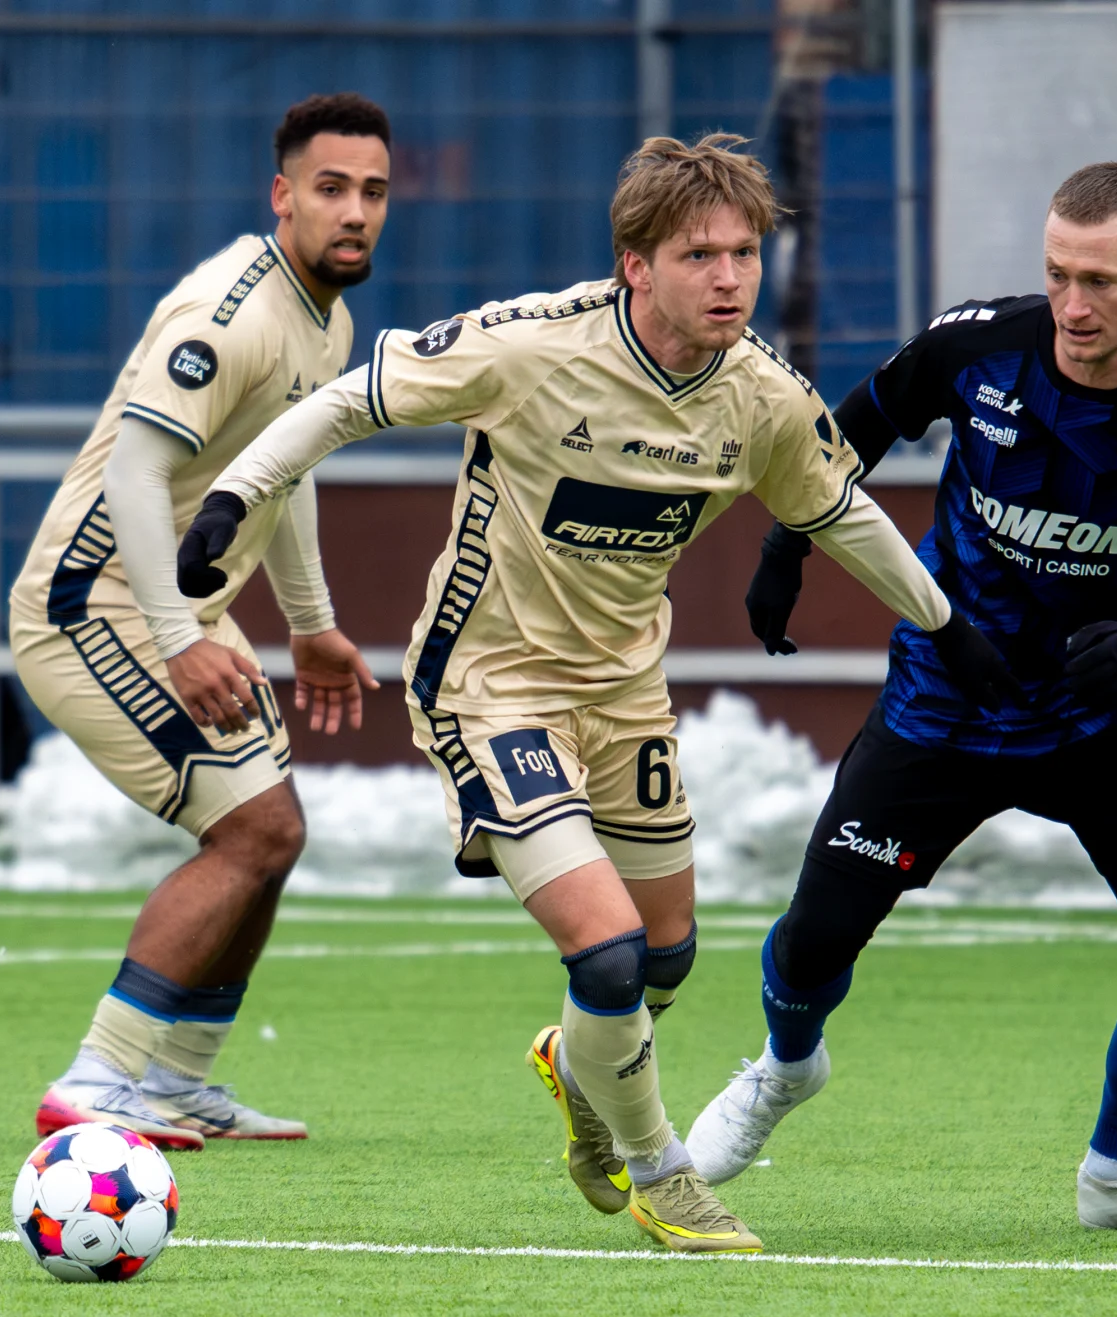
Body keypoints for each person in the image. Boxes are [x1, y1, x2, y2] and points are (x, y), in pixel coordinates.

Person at [180, 133, 1014, 1251]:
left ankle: (577, 1070)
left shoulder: (759, 395)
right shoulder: (527, 347)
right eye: (698, 255)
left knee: (664, 955)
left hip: (624, 693)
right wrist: (236, 496)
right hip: (488, 685)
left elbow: (838, 509)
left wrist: (944, 625)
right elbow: (345, 404)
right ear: (635, 265)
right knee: (609, 951)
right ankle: (661, 1172)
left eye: (744, 254)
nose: (729, 279)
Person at [687, 162, 1117, 1231]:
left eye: (1099, 281)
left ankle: (1115, 1176)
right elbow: (843, 436)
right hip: (945, 700)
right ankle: (783, 1068)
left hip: (1109, 718)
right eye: (1056, 274)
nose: (1072, 305)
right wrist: (787, 543)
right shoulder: (975, 346)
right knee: (813, 936)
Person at [6, 93, 388, 1151]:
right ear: (282, 196)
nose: (353, 211)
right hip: (89, 606)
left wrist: (310, 622)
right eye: (330, 189)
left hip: (175, 607)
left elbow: (283, 468)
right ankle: (97, 1077)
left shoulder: (328, 319)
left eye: (371, 192)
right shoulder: (232, 314)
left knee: (274, 833)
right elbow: (136, 472)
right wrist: (177, 641)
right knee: (253, 829)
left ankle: (177, 1081)